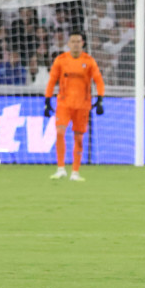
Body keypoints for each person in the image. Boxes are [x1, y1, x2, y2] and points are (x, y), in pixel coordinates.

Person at [44, 32, 105, 181]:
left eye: (78, 41)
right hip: (64, 104)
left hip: (82, 105)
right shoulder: (61, 60)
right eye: (73, 41)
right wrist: (47, 100)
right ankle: (60, 169)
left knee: (78, 138)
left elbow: (98, 80)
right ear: (68, 44)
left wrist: (100, 99)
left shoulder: (89, 61)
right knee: (59, 132)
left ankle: (75, 172)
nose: (76, 44)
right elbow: (52, 80)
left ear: (82, 43)